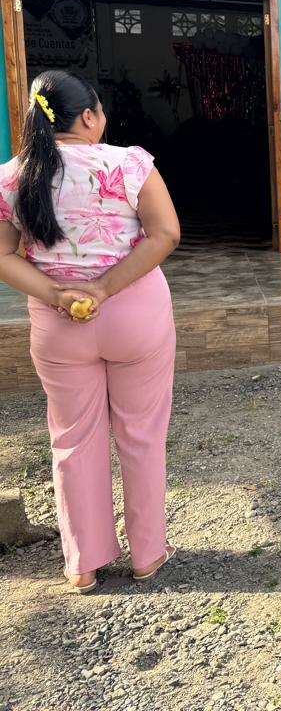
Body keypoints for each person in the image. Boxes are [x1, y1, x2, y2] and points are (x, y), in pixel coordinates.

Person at [0, 70, 181, 593]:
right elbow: (166, 234)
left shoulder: (11, 177)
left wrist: (57, 294)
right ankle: (147, 554)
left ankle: (82, 562)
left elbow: (3, 255)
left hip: (58, 327)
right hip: (134, 315)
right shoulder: (129, 163)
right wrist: (103, 287)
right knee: (142, 435)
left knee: (72, 439)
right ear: (88, 116)